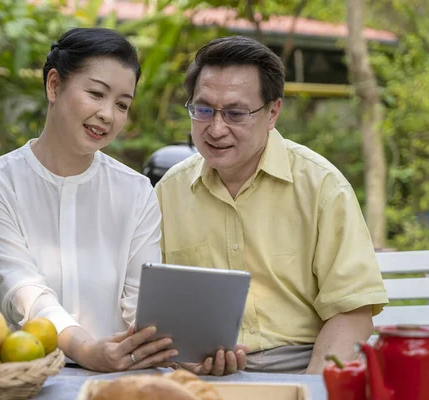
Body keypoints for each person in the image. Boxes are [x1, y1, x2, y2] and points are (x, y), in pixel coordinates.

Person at [154, 35, 389, 375]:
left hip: (301, 365)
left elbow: (352, 312)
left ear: (272, 112)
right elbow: (150, 307)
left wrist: (310, 390)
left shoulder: (321, 185)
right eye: (203, 110)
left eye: (235, 113)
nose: (216, 128)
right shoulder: (169, 192)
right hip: (198, 374)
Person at [0, 27, 179, 372]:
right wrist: (88, 350)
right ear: (54, 85)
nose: (108, 114)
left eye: (122, 104)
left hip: (117, 375)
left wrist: (172, 349)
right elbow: (25, 292)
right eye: (96, 93)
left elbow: (142, 304)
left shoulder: (137, 191)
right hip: (22, 373)